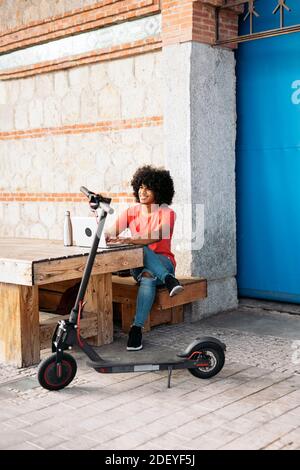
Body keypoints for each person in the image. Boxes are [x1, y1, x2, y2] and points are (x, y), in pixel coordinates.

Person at [105, 165, 183, 351]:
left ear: (159, 191)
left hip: (164, 262)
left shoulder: (167, 213)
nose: (142, 191)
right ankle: (169, 280)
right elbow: (110, 233)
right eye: (140, 187)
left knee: (148, 274)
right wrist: (105, 232)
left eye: (148, 188)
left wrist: (129, 239)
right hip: (137, 264)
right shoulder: (131, 212)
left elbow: (156, 235)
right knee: (141, 251)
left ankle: (136, 329)